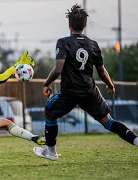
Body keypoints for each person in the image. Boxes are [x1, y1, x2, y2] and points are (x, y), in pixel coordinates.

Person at [33, 4, 138, 161]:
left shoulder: (63, 42)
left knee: (49, 112)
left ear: (69, 25)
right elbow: (102, 71)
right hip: (90, 91)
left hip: (70, 92)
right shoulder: (93, 44)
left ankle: (51, 152)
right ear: (85, 25)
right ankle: (136, 140)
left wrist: (46, 83)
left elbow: (57, 69)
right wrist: (110, 85)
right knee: (108, 121)